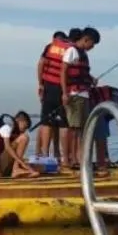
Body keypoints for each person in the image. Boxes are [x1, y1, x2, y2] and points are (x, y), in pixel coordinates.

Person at [61, 27, 100, 170]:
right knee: (74, 128)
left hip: (84, 94)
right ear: (86, 39)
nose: (92, 47)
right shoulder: (72, 51)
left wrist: (91, 79)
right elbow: (63, 71)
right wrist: (65, 93)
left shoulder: (84, 54)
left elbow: (83, 72)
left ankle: (79, 158)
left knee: (82, 128)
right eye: (92, 43)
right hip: (74, 95)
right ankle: (72, 158)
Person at [36, 30, 71, 161]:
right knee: (63, 123)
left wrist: (40, 84)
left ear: (54, 39)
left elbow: (40, 64)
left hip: (48, 86)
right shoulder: (69, 49)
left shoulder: (49, 47)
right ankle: (64, 157)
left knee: (46, 121)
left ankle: (45, 154)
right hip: (63, 89)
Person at [0, 111, 36, 178]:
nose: (24, 131)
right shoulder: (7, 126)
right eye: (24, 127)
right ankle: (16, 169)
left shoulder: (14, 130)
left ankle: (17, 169)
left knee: (35, 169)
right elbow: (7, 147)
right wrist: (21, 163)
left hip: (5, 164)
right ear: (19, 120)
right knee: (24, 138)